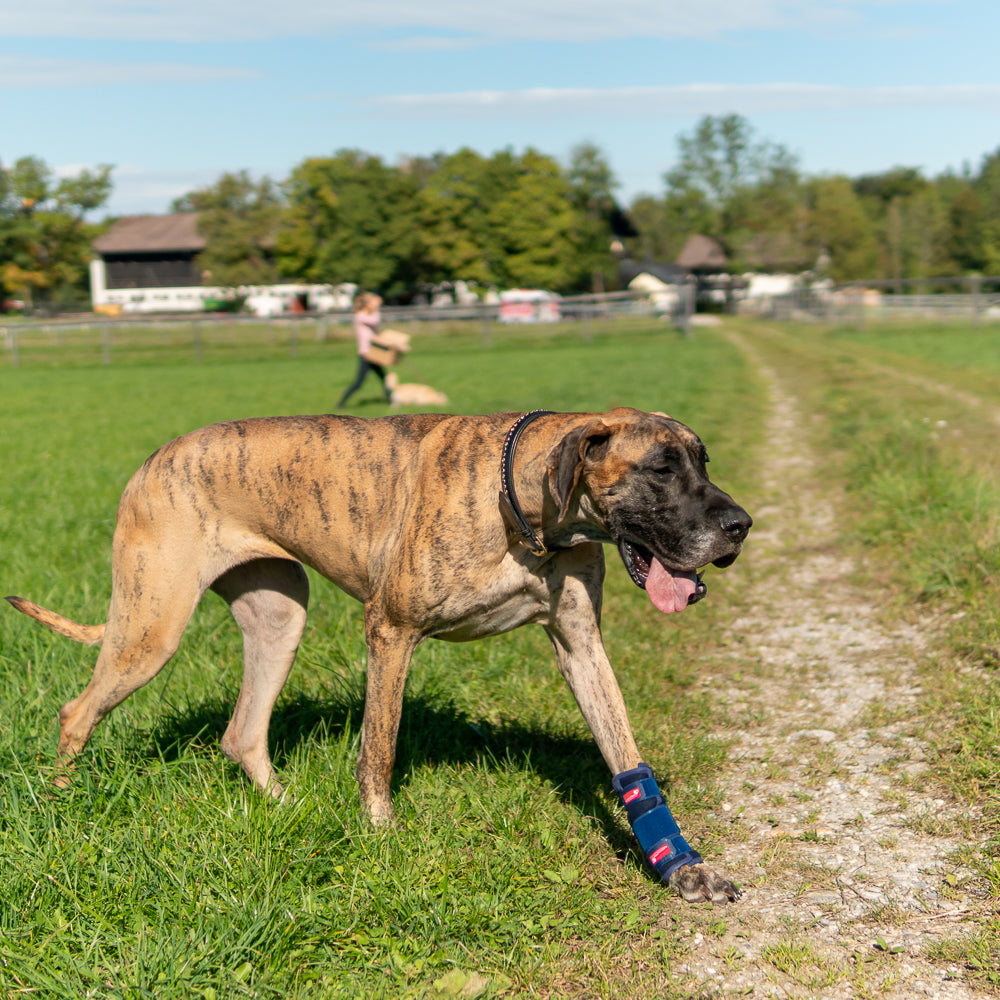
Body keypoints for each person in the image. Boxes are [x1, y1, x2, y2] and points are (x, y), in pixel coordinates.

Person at [337, 291, 391, 407]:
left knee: (384, 378)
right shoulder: (360, 316)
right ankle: (340, 404)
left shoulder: (366, 316)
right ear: (367, 304)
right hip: (366, 354)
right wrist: (377, 308)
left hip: (374, 352)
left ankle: (391, 401)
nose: (375, 305)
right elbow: (375, 321)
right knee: (359, 383)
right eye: (373, 303)